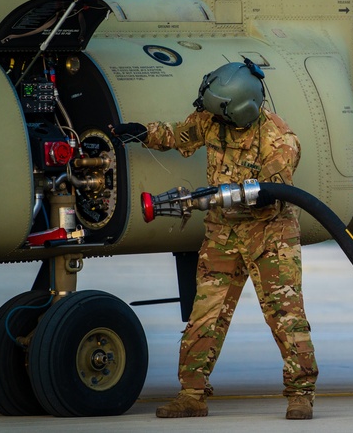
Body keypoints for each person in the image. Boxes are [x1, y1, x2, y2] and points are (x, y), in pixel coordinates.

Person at [112, 59, 318, 420]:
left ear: (238, 111)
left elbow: (275, 188)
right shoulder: (211, 119)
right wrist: (141, 133)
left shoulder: (280, 140)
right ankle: (192, 394)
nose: (211, 120)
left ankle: (301, 394)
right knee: (204, 316)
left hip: (270, 236)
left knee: (286, 316)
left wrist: (241, 194)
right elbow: (179, 135)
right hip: (222, 234)